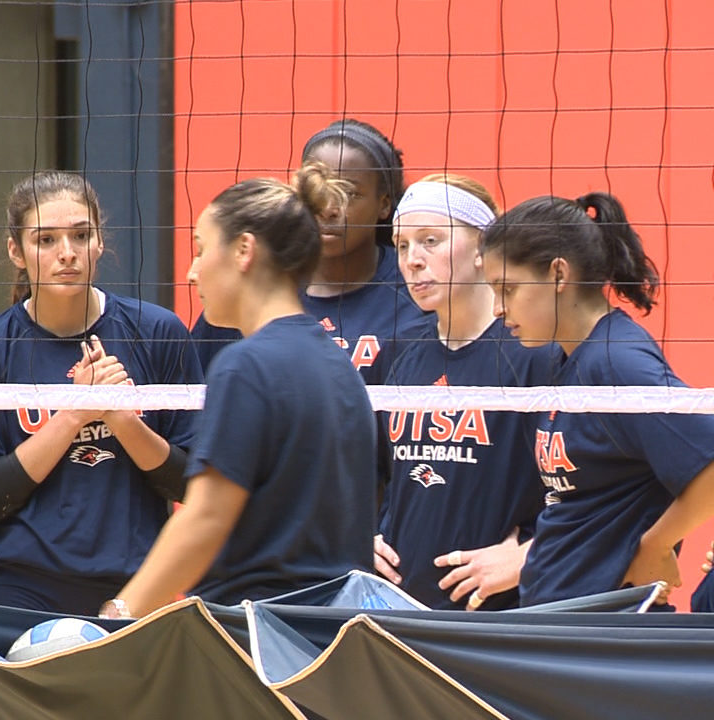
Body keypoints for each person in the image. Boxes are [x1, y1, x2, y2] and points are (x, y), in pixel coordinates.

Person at [102, 164, 376, 618]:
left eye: (201, 249)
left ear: (244, 250)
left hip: (255, 638)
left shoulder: (246, 365)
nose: (192, 272)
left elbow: (205, 518)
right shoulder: (339, 367)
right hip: (333, 641)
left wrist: (119, 613)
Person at [0, 171, 203, 616]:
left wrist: (120, 419)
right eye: (46, 240)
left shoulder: (158, 333)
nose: (67, 254)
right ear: (16, 252)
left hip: (136, 585)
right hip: (23, 585)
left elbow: (191, 484)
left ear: (100, 243)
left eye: (81, 236)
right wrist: (74, 414)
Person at [481, 192, 714, 607]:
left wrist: (655, 546)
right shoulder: (560, 357)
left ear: (557, 274)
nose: (498, 308)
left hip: (607, 631)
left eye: (508, 288)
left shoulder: (616, 363)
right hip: (559, 616)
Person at [375, 175, 559, 610]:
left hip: (497, 615)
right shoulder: (398, 352)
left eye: (431, 241)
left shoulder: (534, 351)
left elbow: (592, 491)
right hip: (402, 613)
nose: (412, 260)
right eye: (402, 245)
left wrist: (528, 555)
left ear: (482, 249)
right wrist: (363, 535)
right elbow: (371, 474)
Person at [189, 118, 428, 381]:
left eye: (348, 192)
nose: (329, 208)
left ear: (383, 204)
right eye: (319, 190)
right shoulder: (257, 284)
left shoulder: (416, 286)